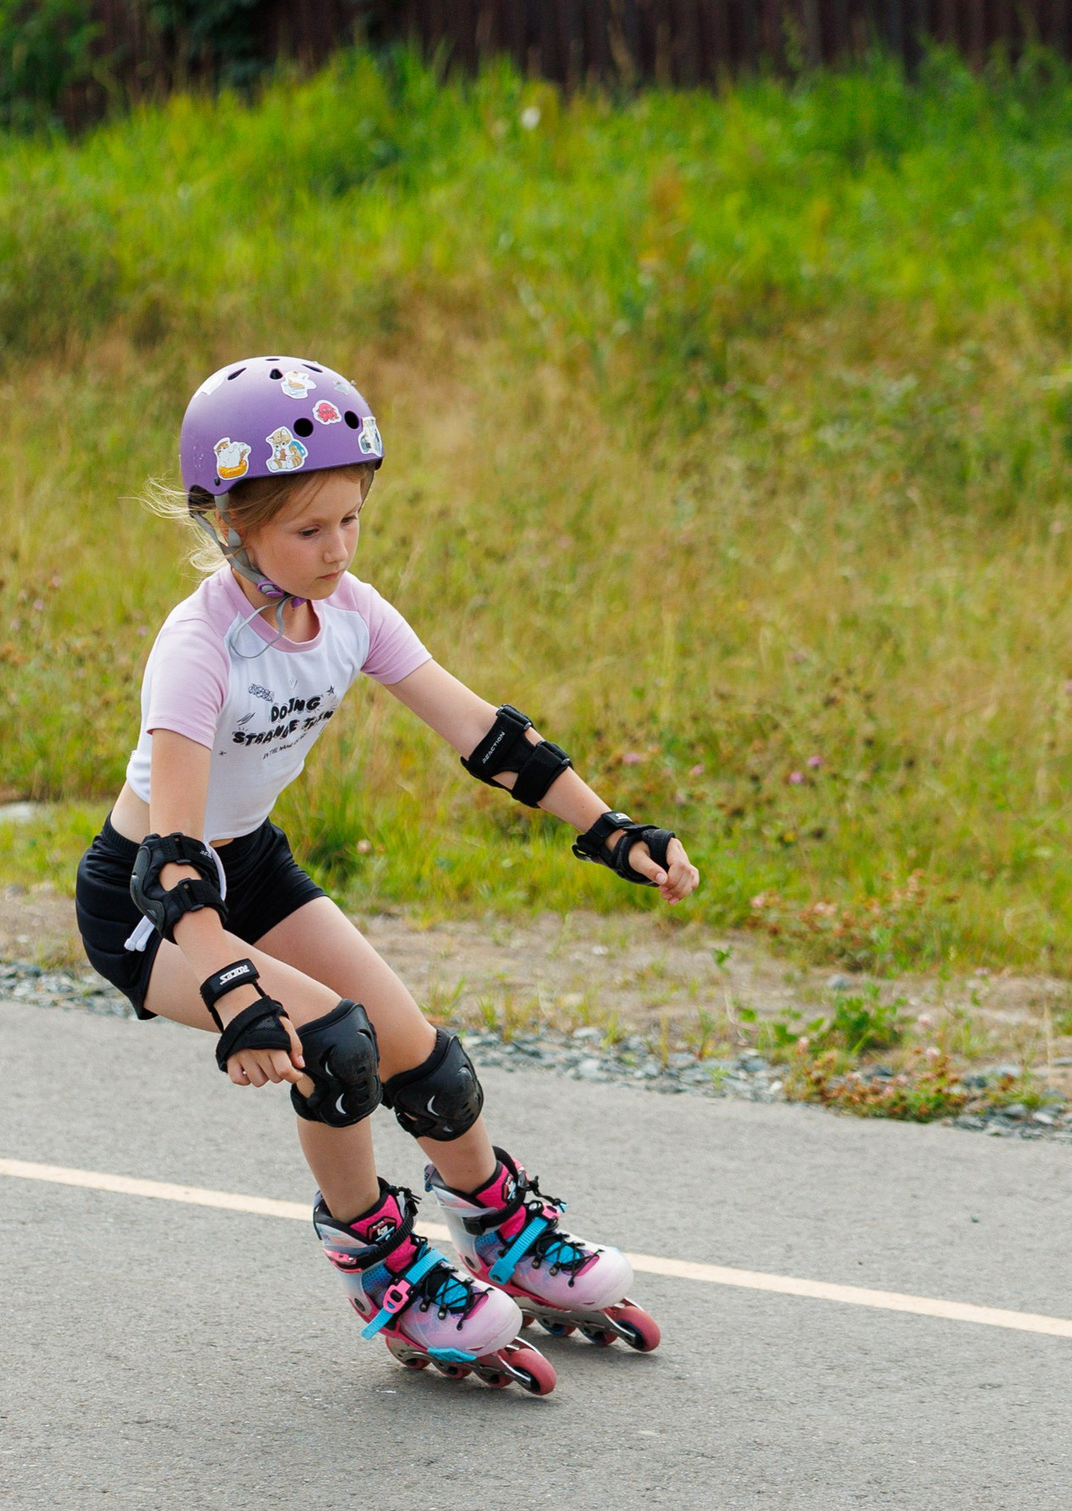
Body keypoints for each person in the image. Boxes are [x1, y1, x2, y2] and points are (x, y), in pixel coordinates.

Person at [74, 356, 702, 1394]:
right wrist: (234, 994)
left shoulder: (353, 612)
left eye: (350, 520)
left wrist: (611, 830)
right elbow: (172, 860)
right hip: (149, 903)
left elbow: (487, 737)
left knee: (423, 1058)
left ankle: (501, 1232)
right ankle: (381, 1266)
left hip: (253, 868)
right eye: (306, 530)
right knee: (336, 1045)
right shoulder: (197, 647)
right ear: (228, 522)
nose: (336, 551)